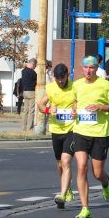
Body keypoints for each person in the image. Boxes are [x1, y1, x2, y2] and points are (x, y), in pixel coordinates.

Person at [72, 55, 109, 218]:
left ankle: (105, 183)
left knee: (97, 173)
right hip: (80, 131)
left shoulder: (105, 84)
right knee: (81, 166)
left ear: (97, 68)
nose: (88, 70)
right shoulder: (76, 84)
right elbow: (75, 102)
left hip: (100, 133)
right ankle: (85, 208)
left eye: (91, 67)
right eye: (86, 67)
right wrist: (74, 110)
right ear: (82, 68)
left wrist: (100, 106)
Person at [37, 63, 76, 209]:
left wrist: (75, 109)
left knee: (66, 161)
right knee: (60, 164)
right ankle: (68, 187)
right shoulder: (51, 88)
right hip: (56, 129)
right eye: (57, 78)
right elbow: (40, 105)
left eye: (62, 78)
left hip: (71, 129)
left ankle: (62, 194)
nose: (60, 81)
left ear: (67, 76)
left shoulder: (74, 87)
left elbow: (79, 102)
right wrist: (48, 110)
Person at [20, 57, 38, 131]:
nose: (35, 67)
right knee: (31, 111)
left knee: (25, 111)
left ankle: (23, 128)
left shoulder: (23, 71)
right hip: (32, 92)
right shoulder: (33, 72)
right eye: (35, 65)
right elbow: (37, 81)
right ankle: (29, 128)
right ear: (33, 64)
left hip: (25, 92)